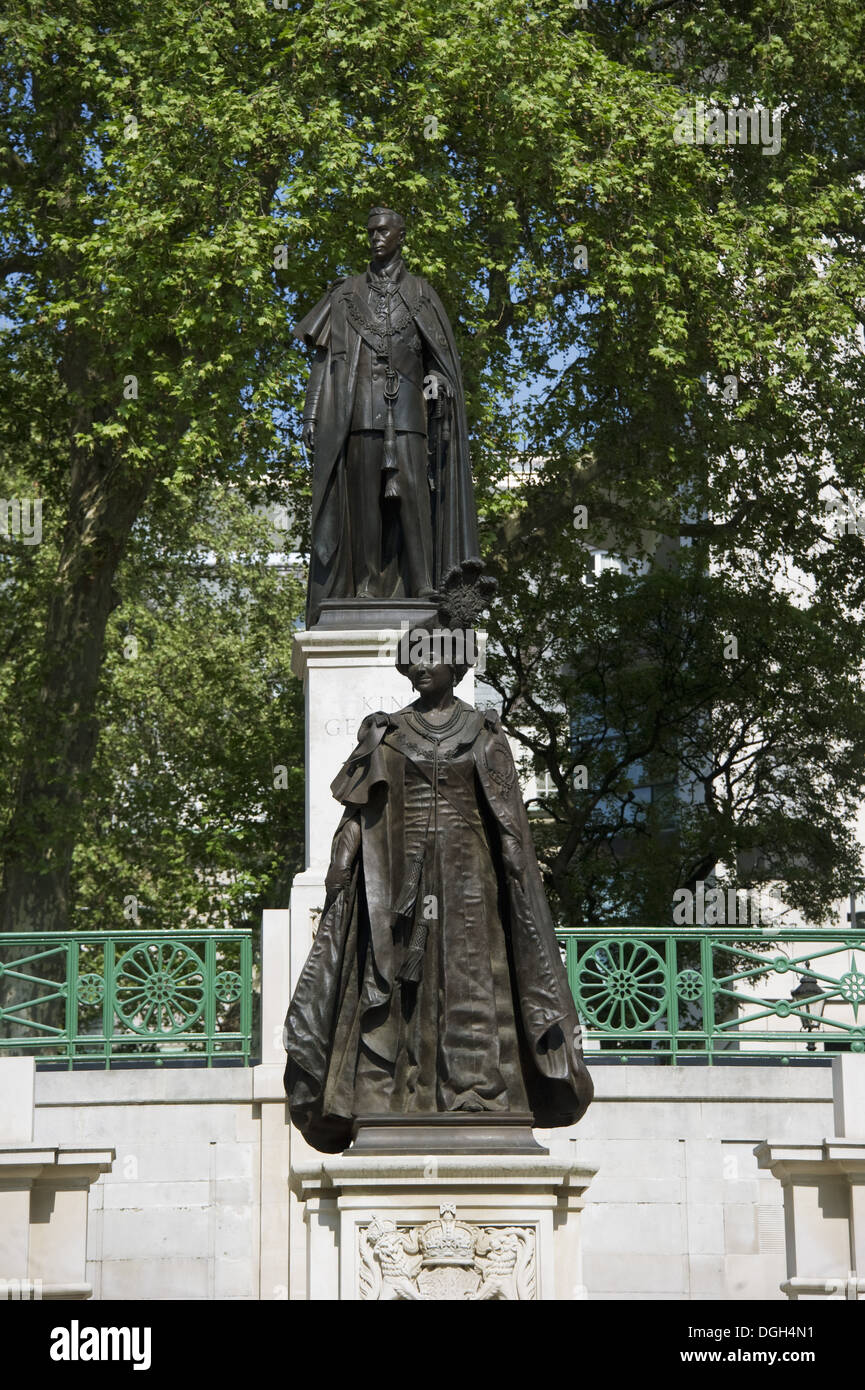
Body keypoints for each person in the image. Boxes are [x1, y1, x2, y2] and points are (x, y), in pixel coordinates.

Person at [283, 634, 593, 1152]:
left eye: (433, 658)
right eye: (414, 659)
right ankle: (396, 1090)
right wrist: (343, 854)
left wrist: (519, 870)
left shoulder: (483, 733)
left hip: (470, 874)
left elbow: (508, 815)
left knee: (470, 975)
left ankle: (473, 1088)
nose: (421, 667)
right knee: (398, 975)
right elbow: (362, 805)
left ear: (456, 665)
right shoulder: (388, 732)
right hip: (400, 874)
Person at [294, 207, 480, 625]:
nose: (375, 237)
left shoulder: (422, 294)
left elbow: (440, 360)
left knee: (413, 500)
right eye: (370, 231)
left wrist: (438, 381)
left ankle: (422, 585)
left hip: (410, 414)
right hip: (358, 413)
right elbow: (323, 362)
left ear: (401, 236)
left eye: (383, 231)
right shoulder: (344, 294)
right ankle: (363, 586)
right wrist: (310, 416)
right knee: (364, 505)